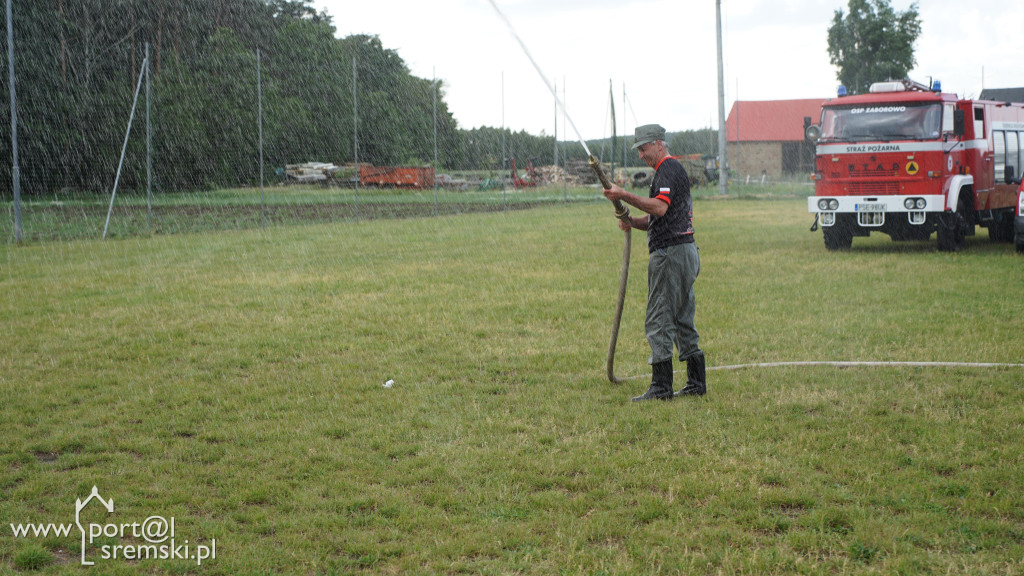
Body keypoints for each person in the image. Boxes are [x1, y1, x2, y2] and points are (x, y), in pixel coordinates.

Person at [602, 124, 705, 401]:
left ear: (659, 143)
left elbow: (659, 207)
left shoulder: (669, 169)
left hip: (670, 254)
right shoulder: (668, 171)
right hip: (684, 251)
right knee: (683, 317)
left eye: (644, 148)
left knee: (659, 317)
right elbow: (661, 216)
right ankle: (696, 382)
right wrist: (631, 221)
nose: (641, 155)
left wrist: (623, 195)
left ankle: (661, 387)